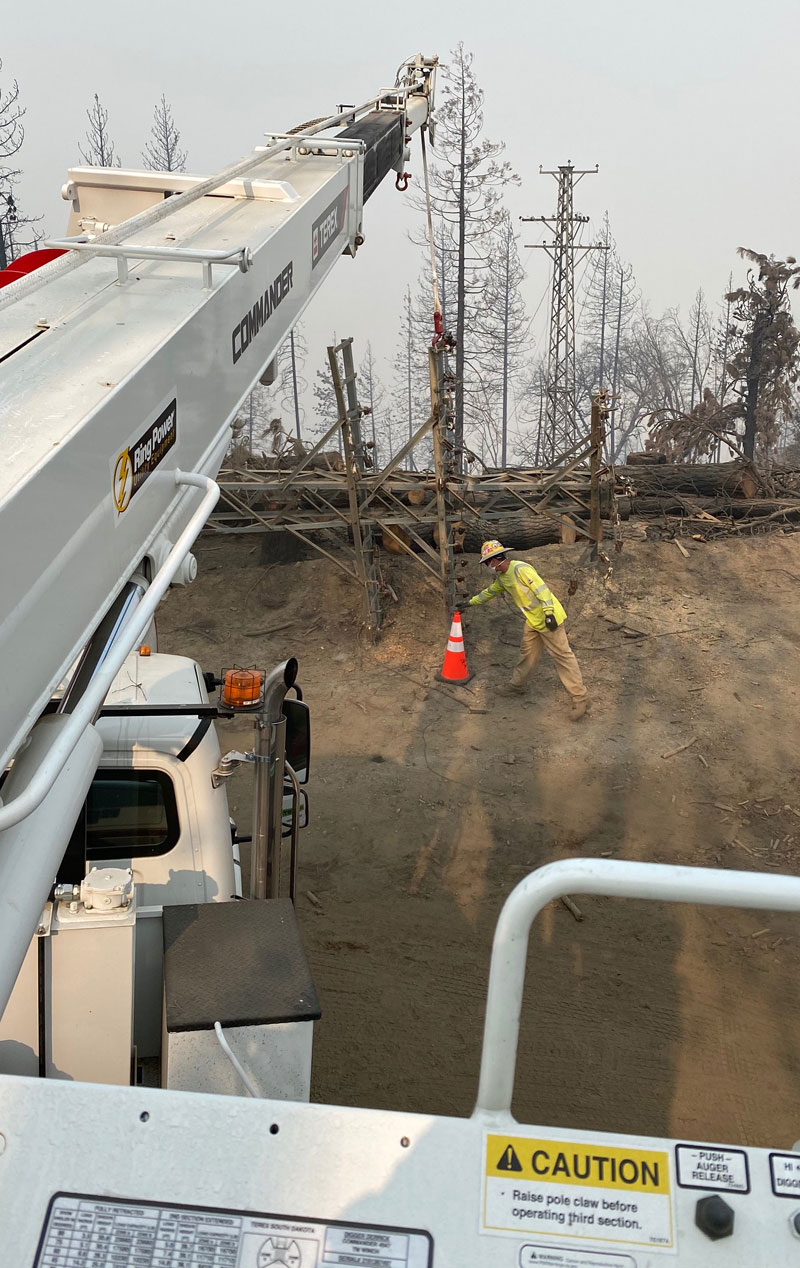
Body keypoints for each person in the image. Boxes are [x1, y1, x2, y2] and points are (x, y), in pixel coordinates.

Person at [467, 539, 589, 720]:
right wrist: (470, 603)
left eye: (486, 563)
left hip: (549, 620)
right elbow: (490, 591)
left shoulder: (520, 569)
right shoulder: (503, 577)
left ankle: (580, 699)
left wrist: (549, 614)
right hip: (533, 621)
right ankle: (517, 686)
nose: (487, 566)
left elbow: (542, 590)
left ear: (494, 560)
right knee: (528, 654)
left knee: (563, 657)